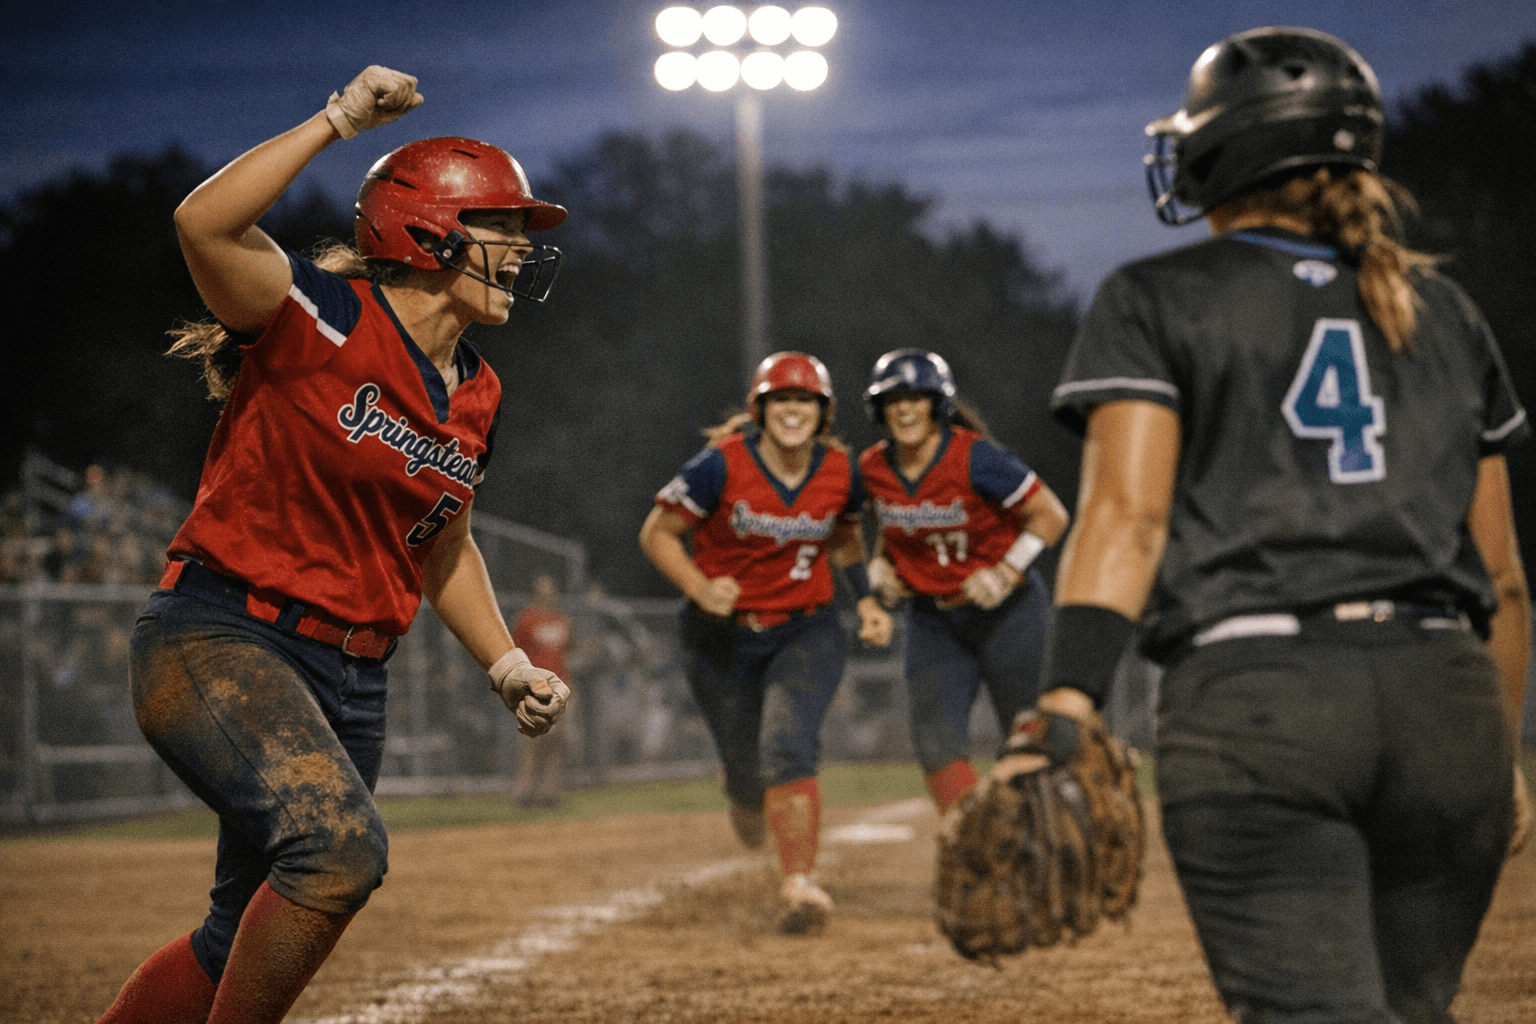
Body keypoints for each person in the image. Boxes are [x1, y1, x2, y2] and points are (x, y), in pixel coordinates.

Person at [1042, 27, 1531, 1023]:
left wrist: (1063, 708)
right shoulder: (1445, 312)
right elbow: (1505, 577)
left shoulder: (1157, 296)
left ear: (1225, 148)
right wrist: (1502, 752)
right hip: (1448, 708)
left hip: (1263, 706)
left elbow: (1127, 520)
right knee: (1415, 1008)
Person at [96, 66, 571, 1024]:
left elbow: (444, 547)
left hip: (352, 678)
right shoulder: (321, 316)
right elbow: (204, 226)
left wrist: (507, 662)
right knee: (340, 851)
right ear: (427, 231)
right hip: (223, 637)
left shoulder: (477, 393)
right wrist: (338, 121)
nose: (521, 248)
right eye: (502, 226)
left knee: (233, 939)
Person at [638, 351, 893, 934]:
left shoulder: (839, 471)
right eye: (782, 400)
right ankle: (742, 784)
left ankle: (799, 883)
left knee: (787, 742)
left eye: (805, 401)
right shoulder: (720, 465)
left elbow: (848, 538)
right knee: (748, 783)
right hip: (721, 638)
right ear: (760, 409)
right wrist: (699, 585)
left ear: (823, 412)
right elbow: (657, 532)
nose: (793, 411)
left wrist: (869, 601)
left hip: (806, 628)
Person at [858, 349, 1069, 812]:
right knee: (935, 745)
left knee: (1029, 742)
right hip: (934, 619)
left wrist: (1008, 569)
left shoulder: (977, 457)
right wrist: (881, 566)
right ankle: (978, 849)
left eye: (917, 397)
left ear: (938, 405)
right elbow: (892, 528)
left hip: (1009, 615)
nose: (905, 409)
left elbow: (1051, 515)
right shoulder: (873, 467)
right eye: (893, 399)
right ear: (880, 408)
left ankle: (1046, 843)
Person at [512, 572, 575, 808]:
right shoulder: (526, 619)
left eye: (550, 588)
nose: (547, 593)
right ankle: (524, 789)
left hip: (560, 684)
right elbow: (516, 653)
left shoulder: (562, 620)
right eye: (542, 588)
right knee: (534, 737)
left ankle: (549, 790)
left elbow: (566, 655)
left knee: (557, 739)